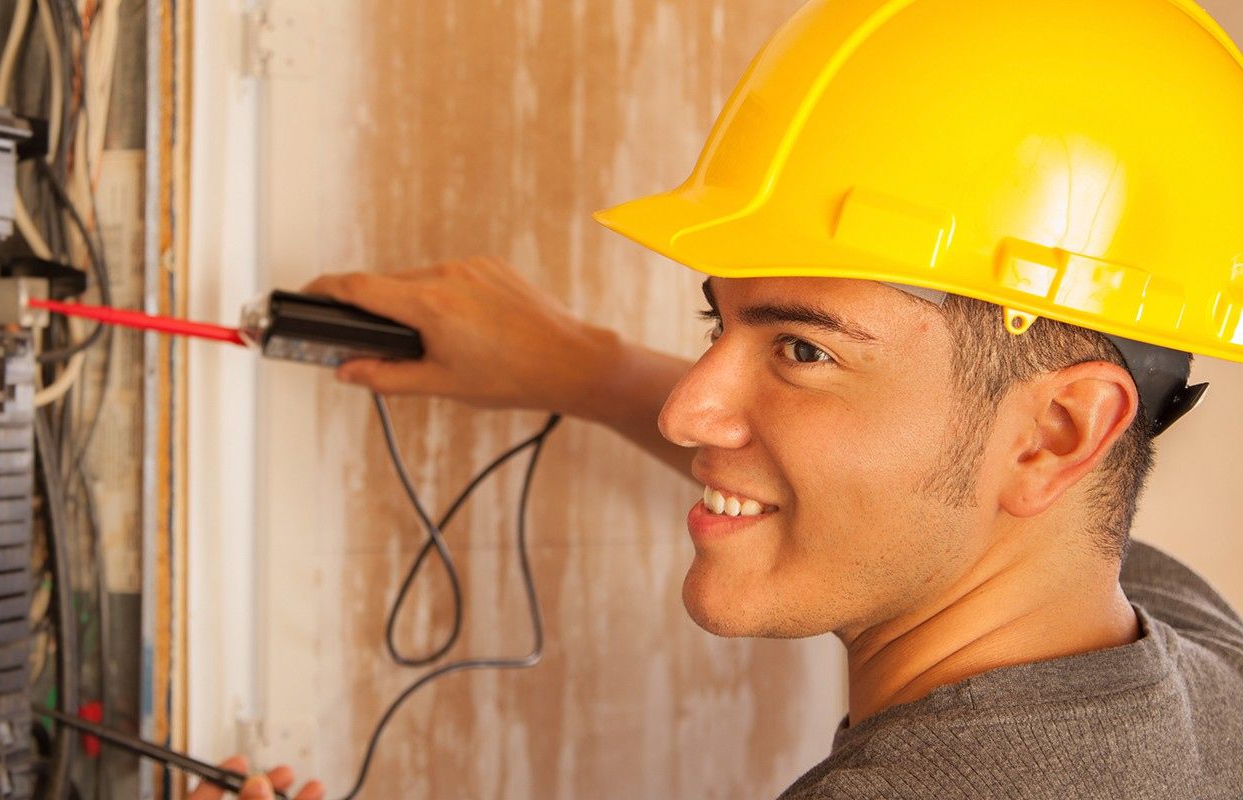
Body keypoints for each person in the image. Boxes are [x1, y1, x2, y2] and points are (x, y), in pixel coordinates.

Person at [199, 0, 1243, 796]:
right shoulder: (1194, 668)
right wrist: (583, 365)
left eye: (800, 347)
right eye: (719, 325)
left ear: (1056, 433)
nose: (687, 408)